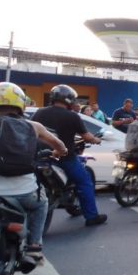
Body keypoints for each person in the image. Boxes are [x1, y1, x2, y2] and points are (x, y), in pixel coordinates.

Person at [0, 82, 68, 261]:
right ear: (21, 104)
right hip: (25, 192)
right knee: (41, 203)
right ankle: (34, 246)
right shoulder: (33, 126)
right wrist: (60, 152)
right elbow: (59, 145)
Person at [32, 85, 107, 227]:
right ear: (69, 100)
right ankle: (91, 217)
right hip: (64, 158)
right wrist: (96, 140)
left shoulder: (39, 113)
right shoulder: (72, 116)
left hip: (39, 157)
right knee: (84, 181)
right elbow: (87, 136)